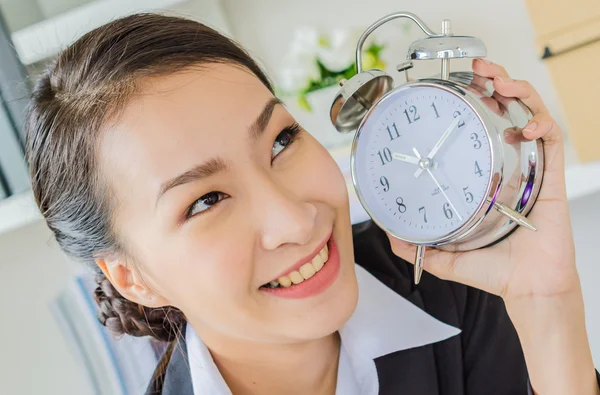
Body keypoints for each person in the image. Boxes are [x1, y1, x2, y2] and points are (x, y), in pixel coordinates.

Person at [24, 13, 599, 395]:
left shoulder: (454, 289)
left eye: (280, 140)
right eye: (206, 201)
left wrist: (547, 304)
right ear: (133, 277)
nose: (295, 220)